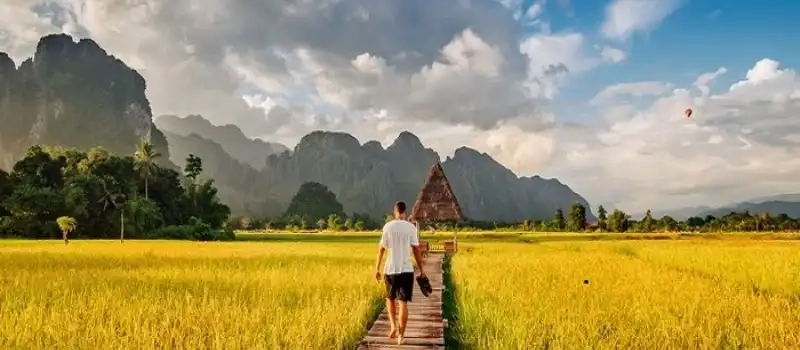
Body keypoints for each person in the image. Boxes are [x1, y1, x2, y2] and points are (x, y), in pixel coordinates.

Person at [374, 201, 426, 345]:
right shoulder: (411, 228)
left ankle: (392, 326)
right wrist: (421, 269)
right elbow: (416, 249)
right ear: (405, 211)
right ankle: (401, 336)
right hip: (406, 270)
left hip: (390, 270)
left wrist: (377, 269)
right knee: (403, 303)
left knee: (390, 299)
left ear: (394, 211)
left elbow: (381, 249)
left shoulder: (387, 227)